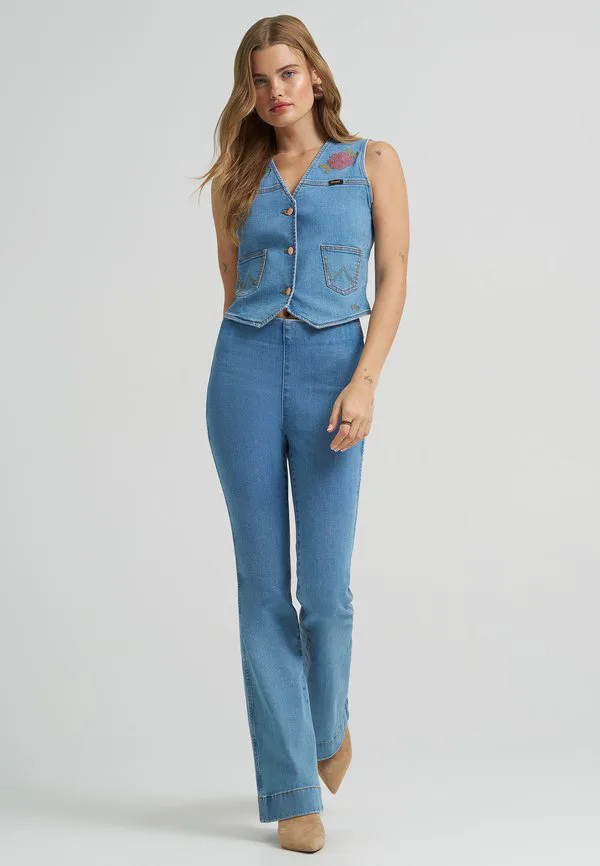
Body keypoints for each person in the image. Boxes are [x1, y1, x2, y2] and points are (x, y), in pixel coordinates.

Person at [194, 14, 409, 853]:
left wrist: (365, 379)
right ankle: (293, 792)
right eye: (259, 80)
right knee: (261, 588)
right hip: (243, 373)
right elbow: (229, 288)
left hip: (332, 372)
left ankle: (325, 724)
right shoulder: (236, 178)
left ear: (315, 76)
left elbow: (394, 274)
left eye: (287, 73)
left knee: (326, 592)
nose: (274, 91)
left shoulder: (371, 162)